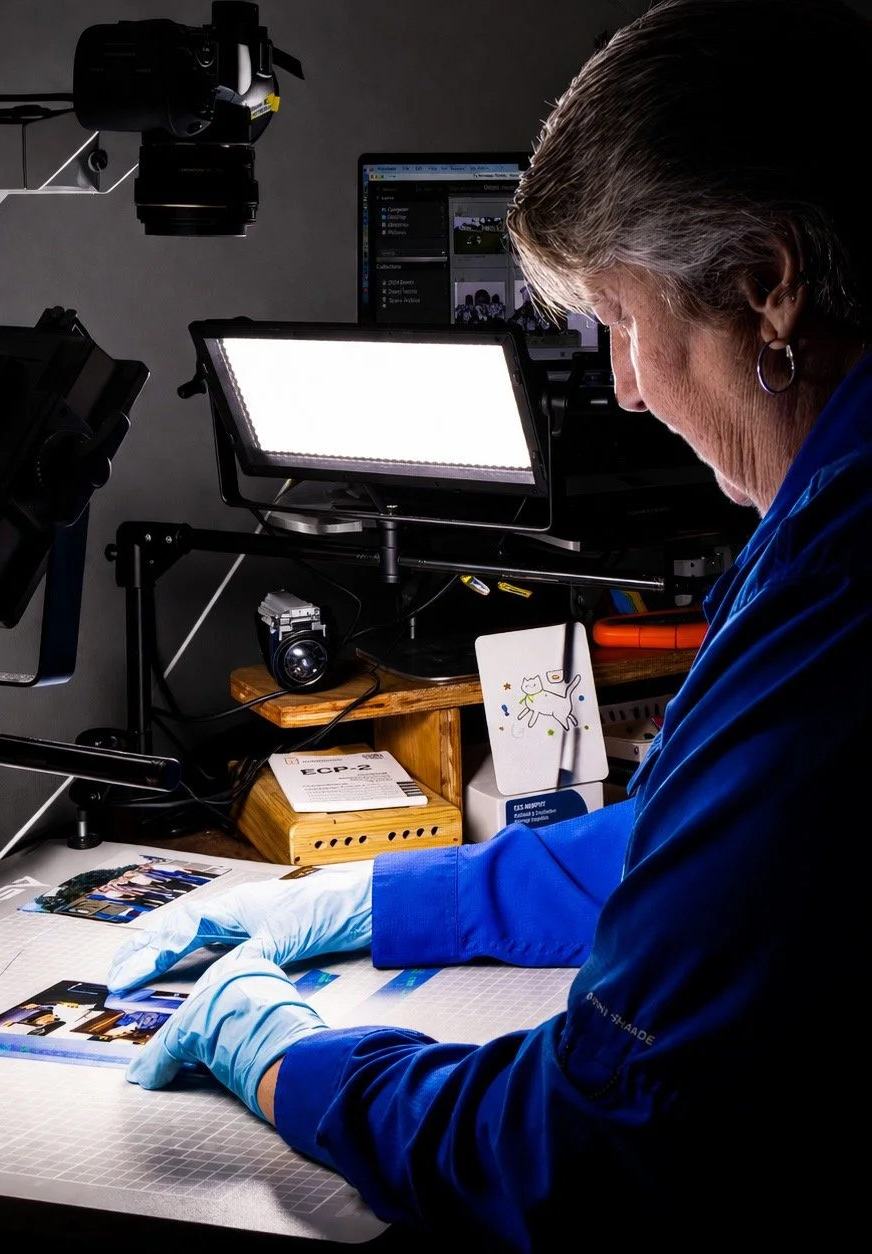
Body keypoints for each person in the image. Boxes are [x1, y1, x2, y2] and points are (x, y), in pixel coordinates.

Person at [104, 1, 872, 1247]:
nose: (624, 386)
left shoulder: (842, 574)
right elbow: (719, 860)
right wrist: (380, 898)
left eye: (623, 321)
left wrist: (293, 1065)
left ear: (765, 287)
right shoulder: (834, 508)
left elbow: (588, 1148)